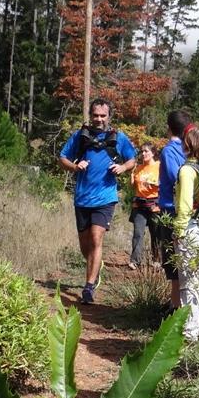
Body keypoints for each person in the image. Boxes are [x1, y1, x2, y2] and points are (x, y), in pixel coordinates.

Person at [59, 99, 136, 304]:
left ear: (109, 117)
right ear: (90, 115)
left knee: (96, 238)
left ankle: (89, 287)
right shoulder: (80, 136)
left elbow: (131, 159)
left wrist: (123, 168)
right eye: (96, 115)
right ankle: (95, 265)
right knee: (85, 245)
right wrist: (75, 167)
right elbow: (63, 158)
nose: (99, 119)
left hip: (105, 198)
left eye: (103, 116)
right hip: (82, 197)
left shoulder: (118, 138)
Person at [172, 125, 199, 340]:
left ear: (187, 145)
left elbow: (185, 204)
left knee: (188, 280)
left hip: (189, 229)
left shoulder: (187, 171)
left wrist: (178, 230)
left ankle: (189, 332)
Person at [157, 110, 191, 311]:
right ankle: (178, 304)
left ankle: (175, 306)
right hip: (188, 210)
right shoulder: (191, 150)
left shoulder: (169, 151)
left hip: (171, 210)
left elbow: (173, 178)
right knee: (183, 259)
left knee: (172, 261)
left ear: (169, 127)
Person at [129, 143, 160, 270]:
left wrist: (154, 183)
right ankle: (135, 261)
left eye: (146, 151)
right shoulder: (138, 168)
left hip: (154, 203)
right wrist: (131, 179)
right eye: (142, 151)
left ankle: (157, 260)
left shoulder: (159, 166)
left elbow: (166, 181)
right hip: (139, 203)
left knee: (156, 233)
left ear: (153, 153)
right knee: (138, 233)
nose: (143, 154)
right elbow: (133, 186)